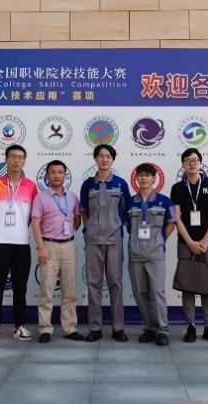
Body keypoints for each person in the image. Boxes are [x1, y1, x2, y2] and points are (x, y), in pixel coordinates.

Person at [0, 144, 38, 343]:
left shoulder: (31, 186)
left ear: (24, 161)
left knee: (20, 287)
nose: (17, 160)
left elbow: (33, 215)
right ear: (6, 160)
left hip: (21, 244)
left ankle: (19, 326)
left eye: (20, 157)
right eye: (13, 157)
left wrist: (20, 229)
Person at [169, 148, 208, 343]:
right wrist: (191, 242)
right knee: (188, 285)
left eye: (195, 160)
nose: (191, 163)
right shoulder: (177, 188)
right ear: (183, 165)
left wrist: (205, 240)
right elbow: (177, 217)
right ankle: (190, 326)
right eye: (187, 160)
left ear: (200, 163)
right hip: (185, 243)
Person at [79, 144, 132, 342]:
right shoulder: (88, 185)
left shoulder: (120, 184)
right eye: (101, 156)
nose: (104, 159)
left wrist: (118, 228)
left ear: (113, 160)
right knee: (93, 284)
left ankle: (118, 328)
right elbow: (84, 211)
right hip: (93, 241)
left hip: (115, 241)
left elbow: (126, 211)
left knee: (115, 283)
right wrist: (89, 229)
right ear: (95, 159)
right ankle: (95, 328)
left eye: (108, 156)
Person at [31, 160, 85, 343]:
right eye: (53, 172)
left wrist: (68, 235)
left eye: (60, 172)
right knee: (47, 291)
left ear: (65, 175)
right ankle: (45, 329)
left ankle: (70, 328)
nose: (56, 175)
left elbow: (77, 219)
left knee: (69, 291)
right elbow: (35, 223)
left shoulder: (73, 197)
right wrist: (41, 247)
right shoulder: (41, 198)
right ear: (47, 176)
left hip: (69, 246)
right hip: (49, 246)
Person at [126, 163, 176, 346]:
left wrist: (160, 240)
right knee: (141, 293)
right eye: (141, 175)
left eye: (148, 175)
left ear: (154, 178)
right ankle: (150, 327)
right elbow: (128, 226)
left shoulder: (164, 201)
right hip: (136, 254)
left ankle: (163, 330)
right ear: (136, 178)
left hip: (155, 255)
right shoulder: (130, 202)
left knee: (157, 292)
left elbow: (171, 224)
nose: (144, 178)